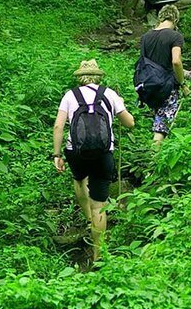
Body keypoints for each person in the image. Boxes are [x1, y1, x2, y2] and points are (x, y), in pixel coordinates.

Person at [52, 60, 135, 263]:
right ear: (99, 76)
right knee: (100, 205)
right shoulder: (109, 94)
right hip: (103, 153)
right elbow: (130, 123)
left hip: (76, 152)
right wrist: (119, 104)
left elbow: (58, 127)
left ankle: (88, 219)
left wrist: (56, 155)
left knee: (79, 179)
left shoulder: (70, 95)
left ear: (79, 77)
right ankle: (99, 254)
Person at [139, 5, 191, 147]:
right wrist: (182, 84)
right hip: (166, 86)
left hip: (147, 84)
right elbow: (176, 61)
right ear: (175, 19)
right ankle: (153, 159)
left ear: (160, 17)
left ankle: (147, 153)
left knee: (156, 118)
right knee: (161, 126)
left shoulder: (145, 37)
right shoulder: (175, 36)